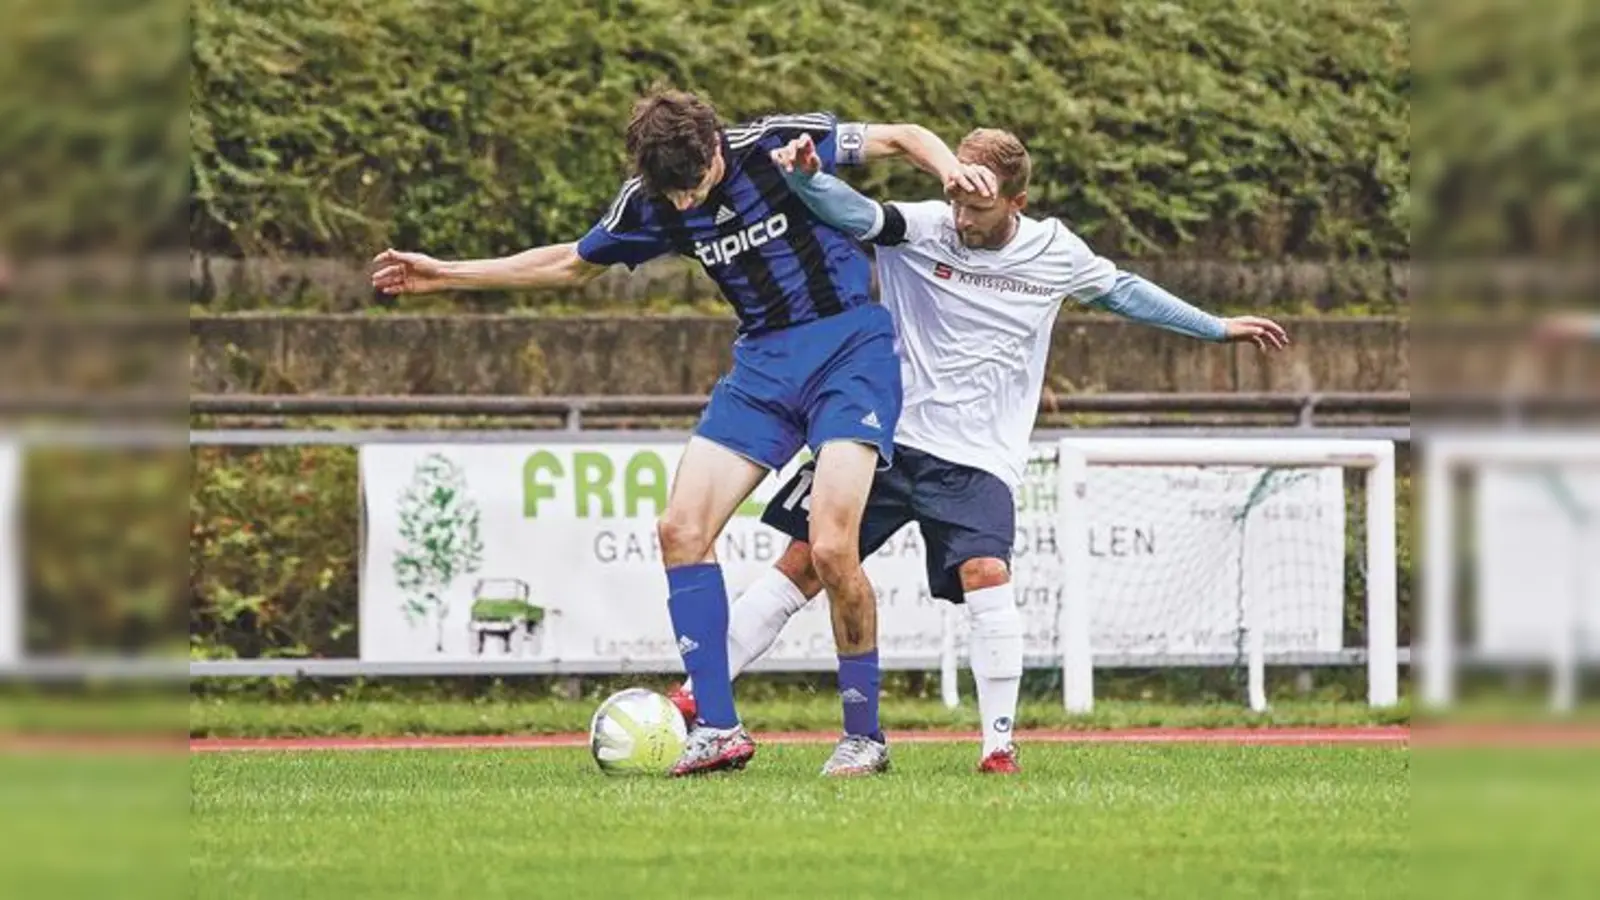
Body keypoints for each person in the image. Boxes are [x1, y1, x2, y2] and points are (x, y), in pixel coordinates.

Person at [370, 90, 997, 777]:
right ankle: (720, 730)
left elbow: (904, 131)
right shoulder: (652, 196)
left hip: (850, 352)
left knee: (829, 548)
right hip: (762, 366)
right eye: (671, 197)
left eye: (693, 189)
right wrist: (449, 273)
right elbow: (571, 265)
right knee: (680, 529)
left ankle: (863, 736)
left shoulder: (774, 143)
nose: (685, 208)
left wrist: (949, 172)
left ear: (717, 150)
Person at [672, 128, 1289, 774]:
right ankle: (695, 698)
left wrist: (1217, 327)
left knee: (986, 575)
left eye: (979, 207)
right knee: (805, 563)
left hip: (977, 457)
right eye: (958, 198)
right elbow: (857, 213)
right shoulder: (931, 226)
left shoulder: (1056, 252)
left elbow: (1124, 291)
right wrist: (804, 181)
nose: (963, 217)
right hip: (885, 433)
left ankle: (998, 744)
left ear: (1017, 203)